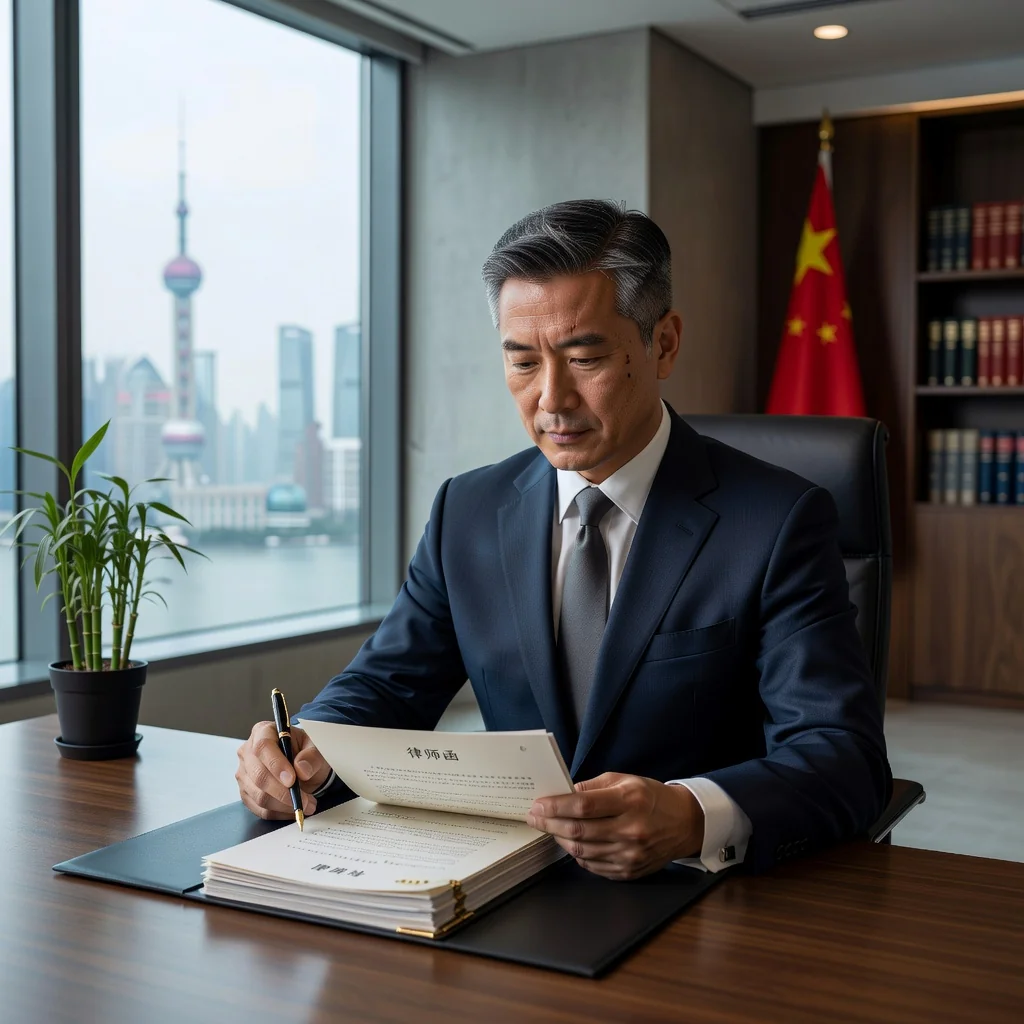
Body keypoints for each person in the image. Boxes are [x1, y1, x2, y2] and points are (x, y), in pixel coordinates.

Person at [235, 199, 891, 878]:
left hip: (697, 900)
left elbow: (843, 754)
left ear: (662, 343)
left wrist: (690, 815)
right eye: (522, 363)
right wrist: (304, 741)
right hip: (512, 886)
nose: (551, 398)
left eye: (584, 358)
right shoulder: (469, 509)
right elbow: (386, 685)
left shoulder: (777, 520)